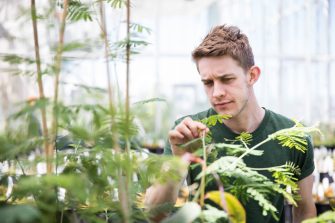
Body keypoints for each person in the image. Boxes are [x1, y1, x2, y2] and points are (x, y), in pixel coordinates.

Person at [145, 25, 316, 223]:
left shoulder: (292, 135)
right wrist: (178, 162)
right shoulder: (188, 132)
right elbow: (154, 214)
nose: (216, 92)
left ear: (252, 75)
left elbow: (304, 211)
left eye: (226, 79)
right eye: (208, 83)